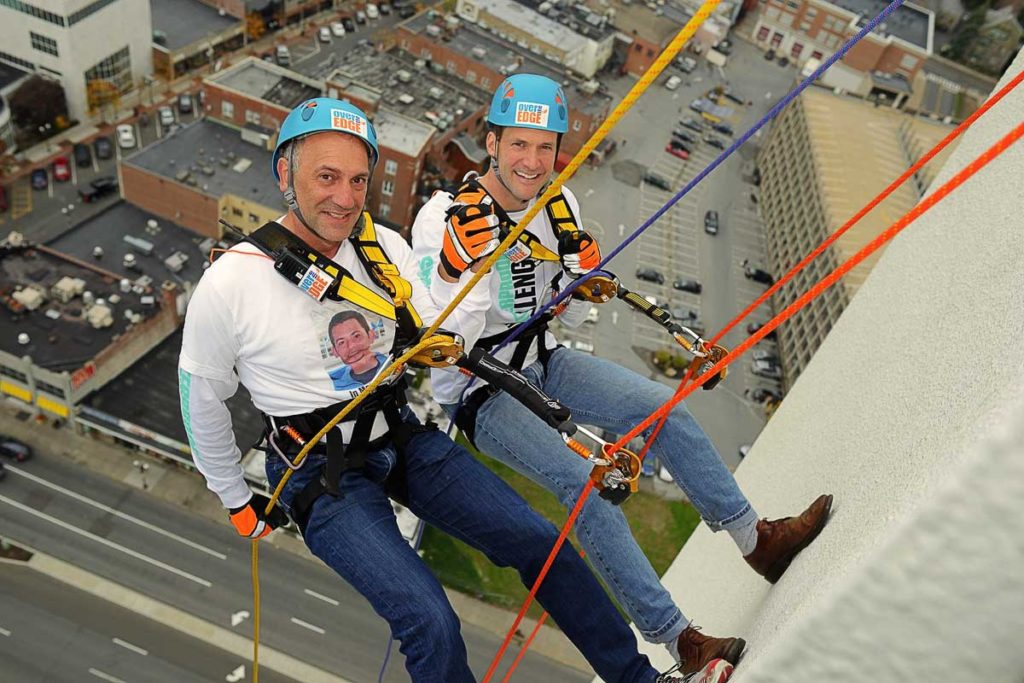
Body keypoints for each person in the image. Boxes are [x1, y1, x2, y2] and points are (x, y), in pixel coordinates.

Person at [178, 97, 727, 683]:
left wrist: (453, 268)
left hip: (403, 437)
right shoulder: (234, 281)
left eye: (358, 179)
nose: (344, 197)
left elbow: (442, 334)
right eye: (326, 177)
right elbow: (201, 396)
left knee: (543, 545)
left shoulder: (380, 250)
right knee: (431, 621)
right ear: (285, 176)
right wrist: (235, 498)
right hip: (321, 471)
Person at [411, 74, 833, 676]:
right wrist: (461, 267)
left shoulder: (560, 205)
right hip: (483, 387)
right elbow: (445, 339)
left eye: (545, 147)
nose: (533, 161)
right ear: (493, 144)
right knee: (584, 482)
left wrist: (581, 281)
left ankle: (756, 542)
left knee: (664, 408)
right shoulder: (442, 218)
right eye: (518, 145)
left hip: (543, 357)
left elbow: (568, 311)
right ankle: (679, 638)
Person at [326, 309, 387, 391]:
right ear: (335, 351)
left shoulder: (394, 361)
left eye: (356, 336)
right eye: (342, 342)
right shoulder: (332, 386)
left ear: (371, 335)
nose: (351, 346)